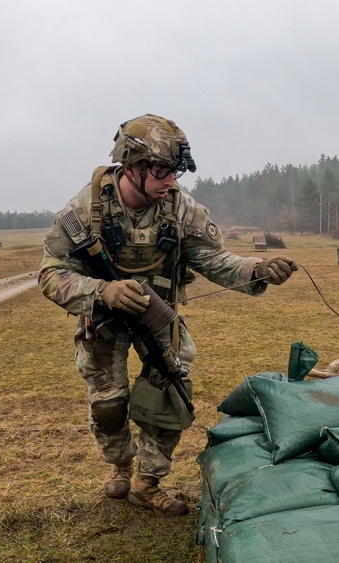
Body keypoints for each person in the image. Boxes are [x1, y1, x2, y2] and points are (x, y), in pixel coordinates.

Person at [39, 114, 297, 516]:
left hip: (159, 316)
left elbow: (215, 259)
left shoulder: (181, 210)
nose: (171, 182)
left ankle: (147, 480)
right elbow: (51, 273)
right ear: (133, 167)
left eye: (174, 173)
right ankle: (121, 467)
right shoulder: (85, 210)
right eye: (162, 172)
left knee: (171, 397)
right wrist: (103, 290)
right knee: (108, 408)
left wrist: (257, 269)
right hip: (102, 319)